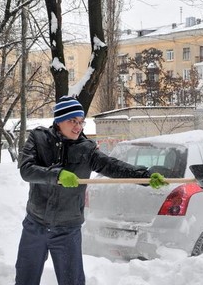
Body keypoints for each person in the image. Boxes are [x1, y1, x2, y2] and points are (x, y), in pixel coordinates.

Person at [15, 95, 163, 285]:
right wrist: (57, 175)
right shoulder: (38, 138)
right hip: (35, 225)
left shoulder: (86, 149)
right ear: (59, 120)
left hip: (67, 229)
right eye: (72, 121)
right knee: (25, 279)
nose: (78, 127)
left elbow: (113, 166)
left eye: (81, 122)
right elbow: (26, 170)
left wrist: (144, 176)